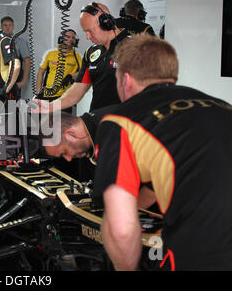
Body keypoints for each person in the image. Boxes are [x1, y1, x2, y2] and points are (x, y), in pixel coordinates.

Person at [93, 34, 232, 270]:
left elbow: (121, 229)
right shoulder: (222, 106)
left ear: (125, 80)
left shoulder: (121, 120)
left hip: (205, 254)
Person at [33, 2, 126, 114]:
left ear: (106, 23)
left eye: (90, 31)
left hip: (127, 123)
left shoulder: (136, 48)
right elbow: (78, 89)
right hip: (97, 120)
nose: (87, 37)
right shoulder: (91, 53)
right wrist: (50, 106)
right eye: (85, 32)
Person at [35, 29, 82, 113]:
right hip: (47, 94)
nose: (70, 39)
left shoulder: (78, 56)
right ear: (61, 38)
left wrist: (71, 76)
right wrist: (38, 92)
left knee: (63, 124)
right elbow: (41, 72)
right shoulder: (50, 53)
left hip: (65, 98)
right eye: (67, 36)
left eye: (73, 38)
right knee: (44, 123)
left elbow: (84, 72)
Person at [0, 16, 31, 98]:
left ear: (13, 26)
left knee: (12, 107)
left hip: (14, 80)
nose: (7, 27)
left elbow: (27, 61)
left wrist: (23, 81)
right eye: (5, 25)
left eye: (10, 25)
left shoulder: (20, 42)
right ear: (1, 27)